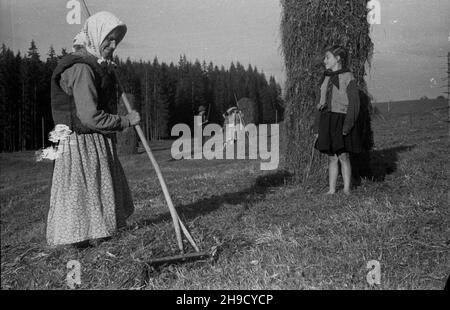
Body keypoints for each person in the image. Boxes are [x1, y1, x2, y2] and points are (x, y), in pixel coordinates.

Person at [46, 11, 140, 247]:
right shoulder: (82, 69)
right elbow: (89, 117)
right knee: (83, 190)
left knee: (93, 189)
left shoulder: (94, 64)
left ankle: (98, 234)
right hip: (82, 141)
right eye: (108, 38)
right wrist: (125, 121)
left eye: (116, 39)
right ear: (95, 37)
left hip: (91, 140)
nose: (113, 44)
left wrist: (107, 73)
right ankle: (82, 239)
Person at [314, 45, 361, 195]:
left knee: (343, 155)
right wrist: (317, 127)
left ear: (338, 59)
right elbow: (319, 102)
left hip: (341, 119)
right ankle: (332, 189)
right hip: (327, 119)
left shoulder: (348, 77)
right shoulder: (325, 77)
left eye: (327, 57)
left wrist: (348, 125)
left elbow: (354, 103)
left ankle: (347, 188)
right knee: (331, 157)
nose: (324, 60)